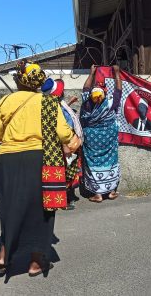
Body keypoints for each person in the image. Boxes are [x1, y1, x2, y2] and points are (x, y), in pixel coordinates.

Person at [0, 60, 78, 276]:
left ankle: (4, 253)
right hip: (39, 159)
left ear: (19, 80)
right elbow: (64, 133)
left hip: (6, 160)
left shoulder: (5, 101)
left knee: (9, 207)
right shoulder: (48, 102)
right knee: (42, 209)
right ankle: (36, 262)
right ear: (38, 82)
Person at [79, 65, 122, 203]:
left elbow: (85, 88)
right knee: (111, 160)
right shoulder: (110, 103)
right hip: (108, 137)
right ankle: (111, 191)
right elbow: (119, 90)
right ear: (104, 94)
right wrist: (116, 72)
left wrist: (91, 72)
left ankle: (97, 194)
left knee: (93, 163)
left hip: (92, 138)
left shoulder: (87, 104)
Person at [41, 78, 83, 210]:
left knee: (71, 171)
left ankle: (67, 198)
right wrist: (65, 145)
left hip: (70, 144)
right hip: (64, 145)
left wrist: (69, 103)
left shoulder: (59, 104)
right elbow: (60, 127)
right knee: (67, 172)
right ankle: (65, 200)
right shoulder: (56, 106)